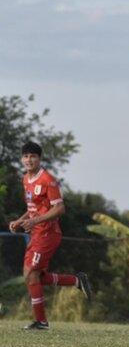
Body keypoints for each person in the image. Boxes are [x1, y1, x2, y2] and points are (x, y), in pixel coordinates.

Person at [8, 141, 92, 331]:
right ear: (22, 159)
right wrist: (20, 220)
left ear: (40, 158)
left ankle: (41, 322)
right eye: (26, 156)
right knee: (34, 276)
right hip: (37, 233)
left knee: (30, 274)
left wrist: (35, 221)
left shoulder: (47, 179)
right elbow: (33, 209)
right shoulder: (25, 179)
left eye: (33, 156)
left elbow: (60, 208)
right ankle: (76, 281)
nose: (29, 160)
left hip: (47, 233)